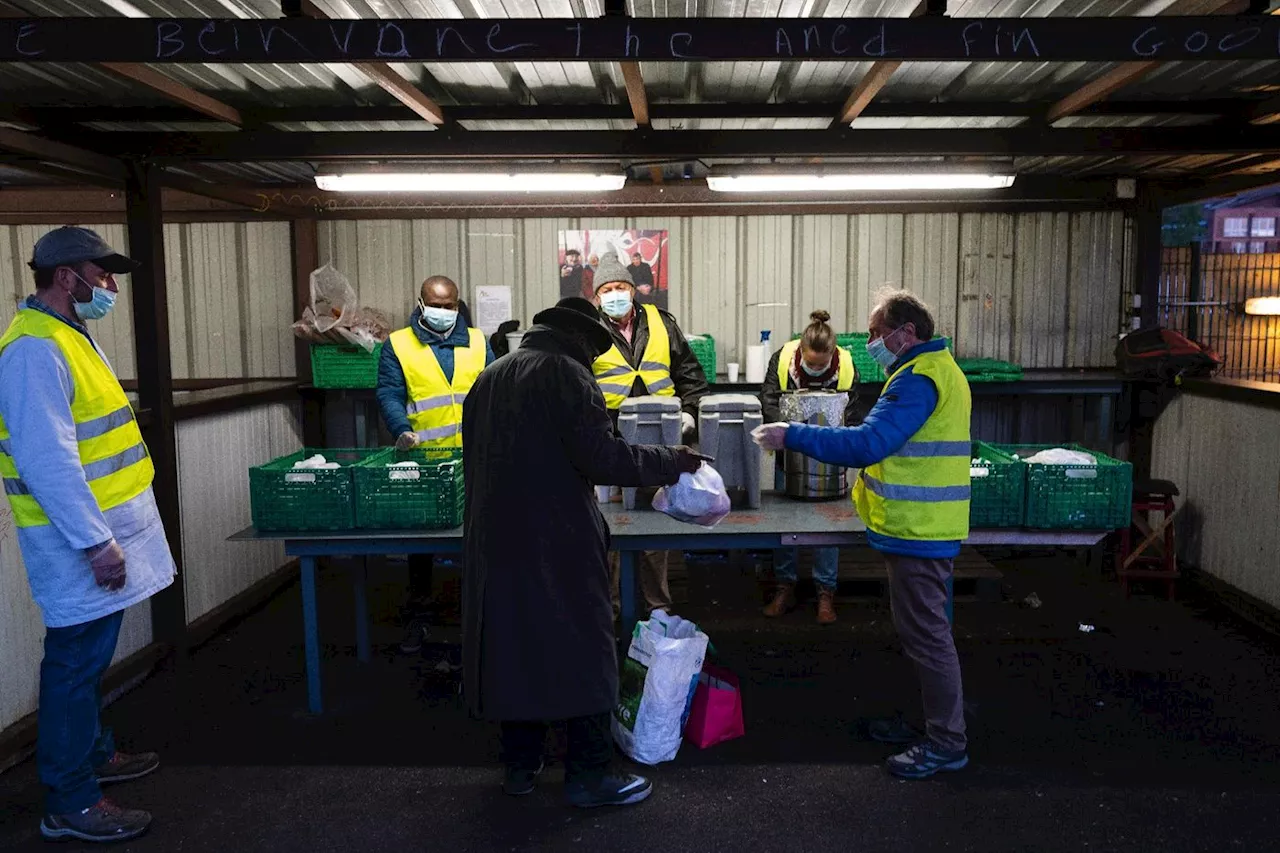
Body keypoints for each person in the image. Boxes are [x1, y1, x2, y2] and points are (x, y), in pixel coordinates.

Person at [461, 296, 705, 807]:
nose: (596, 360)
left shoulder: (490, 376)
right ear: (579, 339)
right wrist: (673, 461)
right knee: (586, 648)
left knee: (513, 647)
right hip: (557, 540)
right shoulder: (566, 375)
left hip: (495, 539)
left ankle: (521, 765)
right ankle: (589, 776)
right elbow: (603, 458)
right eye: (595, 350)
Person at [0, 226, 177, 843]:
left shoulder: (69, 336)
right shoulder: (33, 349)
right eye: (100, 274)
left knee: (91, 656)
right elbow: (48, 460)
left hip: (102, 533)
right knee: (74, 663)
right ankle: (70, 799)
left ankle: (95, 755)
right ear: (65, 277)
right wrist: (95, 542)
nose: (109, 285)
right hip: (77, 543)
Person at [753, 290, 972, 780]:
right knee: (922, 636)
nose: (871, 342)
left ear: (906, 333)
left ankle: (945, 744)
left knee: (929, 639)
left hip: (920, 532)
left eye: (876, 333)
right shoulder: (930, 370)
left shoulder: (917, 381)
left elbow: (869, 442)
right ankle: (929, 725)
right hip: (918, 528)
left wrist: (792, 434)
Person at [376, 275, 495, 654]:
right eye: (436, 305)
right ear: (420, 302)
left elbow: (496, 389)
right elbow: (390, 392)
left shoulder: (478, 342)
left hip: (476, 458)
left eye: (450, 306)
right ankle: (420, 617)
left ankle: (479, 620)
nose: (443, 312)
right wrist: (401, 429)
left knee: (479, 540)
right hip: (424, 458)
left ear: (458, 305)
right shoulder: (398, 344)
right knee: (421, 546)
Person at [590, 253, 709, 618]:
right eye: (607, 289)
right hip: (609, 441)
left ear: (632, 290)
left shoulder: (661, 323)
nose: (615, 294)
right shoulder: (587, 329)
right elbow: (574, 382)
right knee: (608, 528)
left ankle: (659, 609)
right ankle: (607, 609)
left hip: (662, 435)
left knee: (656, 524)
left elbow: (690, 374)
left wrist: (690, 412)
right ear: (597, 296)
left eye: (620, 287)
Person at [759, 310, 859, 625]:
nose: (815, 367)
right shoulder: (783, 358)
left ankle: (825, 593)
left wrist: (843, 445)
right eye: (810, 362)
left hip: (830, 455)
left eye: (821, 364)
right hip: (790, 453)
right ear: (801, 351)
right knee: (784, 521)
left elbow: (852, 409)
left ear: (832, 354)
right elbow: (768, 400)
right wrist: (790, 435)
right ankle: (784, 587)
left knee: (829, 522)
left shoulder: (847, 366)